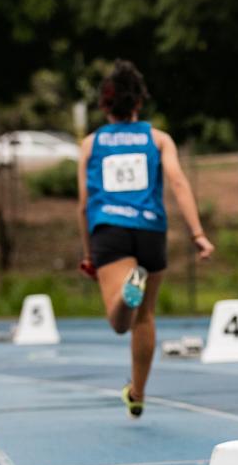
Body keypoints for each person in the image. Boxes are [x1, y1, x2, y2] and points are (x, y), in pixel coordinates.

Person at [77, 60, 214, 418]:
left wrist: (89, 252)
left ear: (105, 105)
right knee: (146, 317)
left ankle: (126, 291)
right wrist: (198, 233)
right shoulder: (158, 139)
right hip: (151, 231)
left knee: (120, 321)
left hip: (110, 229)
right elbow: (179, 183)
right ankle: (137, 394)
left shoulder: (91, 144)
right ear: (139, 102)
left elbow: (82, 205)